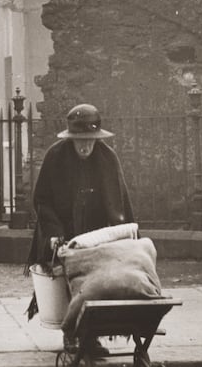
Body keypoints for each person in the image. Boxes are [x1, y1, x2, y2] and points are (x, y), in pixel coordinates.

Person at [25, 103, 135, 348]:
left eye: (90, 140)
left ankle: (91, 334)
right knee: (69, 279)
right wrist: (54, 234)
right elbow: (42, 200)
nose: (85, 146)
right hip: (63, 230)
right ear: (71, 138)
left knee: (97, 282)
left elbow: (120, 198)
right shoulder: (55, 156)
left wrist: (124, 231)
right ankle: (72, 333)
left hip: (96, 231)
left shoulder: (108, 158)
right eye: (80, 140)